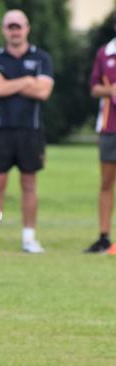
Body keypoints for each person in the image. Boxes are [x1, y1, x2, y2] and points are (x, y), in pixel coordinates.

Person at [0, 9, 54, 254]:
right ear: (3, 30)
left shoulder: (42, 58)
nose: (15, 31)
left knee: (29, 182)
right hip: (1, 129)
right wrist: (27, 81)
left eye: (18, 26)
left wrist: (7, 82)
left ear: (27, 28)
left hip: (31, 130)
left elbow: (43, 92)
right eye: (10, 26)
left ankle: (29, 238)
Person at [86, 21, 116, 254]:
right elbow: (95, 87)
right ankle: (104, 237)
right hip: (109, 127)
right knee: (106, 183)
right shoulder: (105, 53)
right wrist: (110, 90)